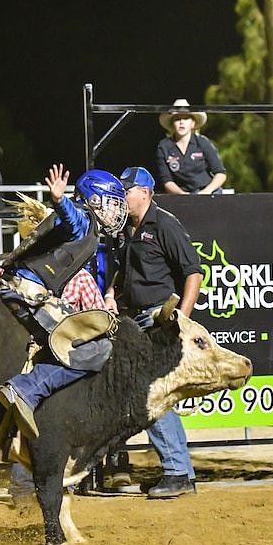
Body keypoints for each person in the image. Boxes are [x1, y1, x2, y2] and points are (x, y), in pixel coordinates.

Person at [0, 164, 127, 440]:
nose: (117, 212)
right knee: (96, 349)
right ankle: (25, 390)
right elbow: (71, 217)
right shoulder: (84, 222)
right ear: (95, 200)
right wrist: (59, 199)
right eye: (113, 204)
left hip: (23, 288)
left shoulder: (87, 231)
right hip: (28, 293)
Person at [104, 166, 202, 499]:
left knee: (153, 396)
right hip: (133, 322)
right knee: (153, 396)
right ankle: (181, 472)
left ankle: (177, 472)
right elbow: (123, 271)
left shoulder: (165, 225)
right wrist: (110, 292)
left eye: (126, 190)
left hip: (157, 321)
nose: (120, 197)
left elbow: (193, 272)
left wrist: (181, 320)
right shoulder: (123, 229)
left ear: (144, 193)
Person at [155, 98, 227, 195]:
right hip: (181, 196)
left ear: (193, 123)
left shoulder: (203, 142)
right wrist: (183, 195)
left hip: (210, 193)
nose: (181, 122)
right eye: (177, 119)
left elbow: (220, 173)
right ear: (172, 124)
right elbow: (166, 180)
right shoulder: (164, 147)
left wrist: (206, 192)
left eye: (186, 118)